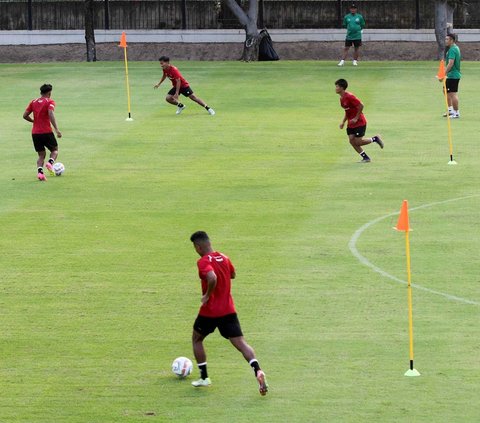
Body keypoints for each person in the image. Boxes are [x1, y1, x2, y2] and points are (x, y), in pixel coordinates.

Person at [189, 231, 268, 396]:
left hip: (209, 312)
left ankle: (204, 377)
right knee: (241, 343)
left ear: (198, 247)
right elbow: (232, 274)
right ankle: (257, 370)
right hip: (228, 310)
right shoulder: (224, 258)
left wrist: (207, 295)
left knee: (197, 339)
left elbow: (211, 277)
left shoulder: (203, 261)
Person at [335, 78, 383, 163]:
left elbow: (361, 105)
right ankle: (366, 158)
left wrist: (356, 117)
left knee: (358, 142)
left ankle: (375, 139)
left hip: (359, 122)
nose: (335, 88)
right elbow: (347, 111)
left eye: (337, 86)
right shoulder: (341, 99)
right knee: (352, 141)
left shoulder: (349, 96)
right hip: (351, 123)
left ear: (342, 88)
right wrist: (343, 122)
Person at [23, 84, 62, 181]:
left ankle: (40, 174)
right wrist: (57, 129)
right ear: (49, 93)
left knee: (41, 155)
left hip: (35, 133)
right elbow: (50, 113)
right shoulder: (50, 101)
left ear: (41, 92)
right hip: (46, 131)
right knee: (54, 150)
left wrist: (33, 121)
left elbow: (24, 115)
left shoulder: (33, 102)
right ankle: (50, 163)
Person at [441, 33, 461, 119]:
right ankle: (450, 110)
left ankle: (456, 113)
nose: (445, 41)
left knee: (453, 94)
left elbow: (451, 63)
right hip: (451, 75)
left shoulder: (453, 49)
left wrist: (443, 73)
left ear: (452, 40)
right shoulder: (454, 48)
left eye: (447, 39)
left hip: (453, 75)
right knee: (445, 91)